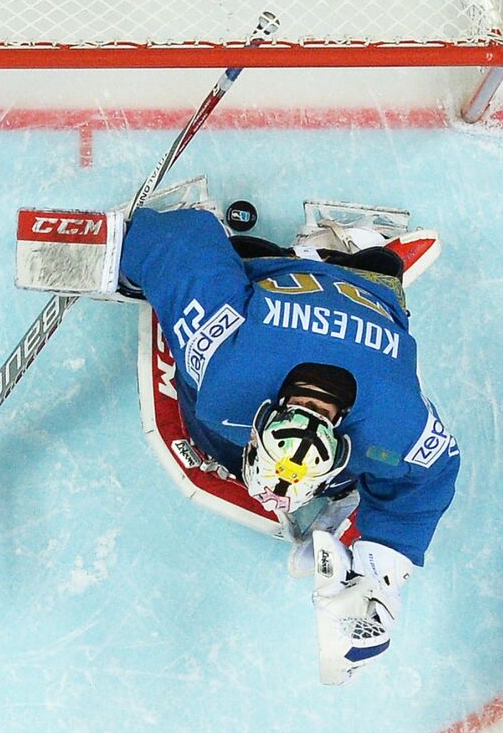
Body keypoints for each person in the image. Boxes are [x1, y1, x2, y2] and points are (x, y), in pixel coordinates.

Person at [118, 199, 459, 681]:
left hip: (348, 287)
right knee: (224, 428)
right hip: (350, 285)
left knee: (219, 418)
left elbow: (180, 236)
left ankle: (339, 257)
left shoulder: (391, 424)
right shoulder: (226, 370)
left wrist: (382, 569)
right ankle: (346, 253)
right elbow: (435, 472)